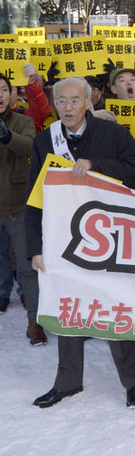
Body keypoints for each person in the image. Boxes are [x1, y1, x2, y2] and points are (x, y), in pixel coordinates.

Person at [25, 77, 135, 408]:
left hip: (109, 238)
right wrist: (35, 248)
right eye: (60, 101)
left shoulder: (113, 134)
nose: (67, 107)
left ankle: (132, 382)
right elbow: (34, 199)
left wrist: (97, 166)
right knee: (68, 308)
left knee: (115, 306)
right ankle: (68, 382)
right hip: (63, 241)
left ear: (88, 102)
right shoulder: (44, 141)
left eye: (74, 101)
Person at [0, 75, 42, 342]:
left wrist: (7, 136)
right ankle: (3, 294)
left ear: (13, 94)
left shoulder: (23, 121)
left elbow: (29, 145)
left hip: (17, 203)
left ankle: (34, 321)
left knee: (27, 264)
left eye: (4, 89)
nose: (0, 95)